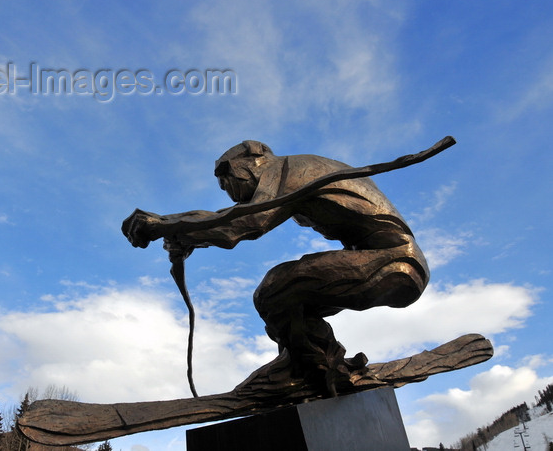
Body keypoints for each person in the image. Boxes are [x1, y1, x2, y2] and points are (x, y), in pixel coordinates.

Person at [122, 140, 429, 396]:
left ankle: (306, 370)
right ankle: (324, 368)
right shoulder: (298, 170)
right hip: (390, 261)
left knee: (278, 288)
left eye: (227, 180)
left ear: (253, 159)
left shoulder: (286, 170)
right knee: (291, 297)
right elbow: (237, 216)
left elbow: (247, 222)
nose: (228, 190)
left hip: (396, 260)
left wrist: (166, 225)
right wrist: (183, 231)